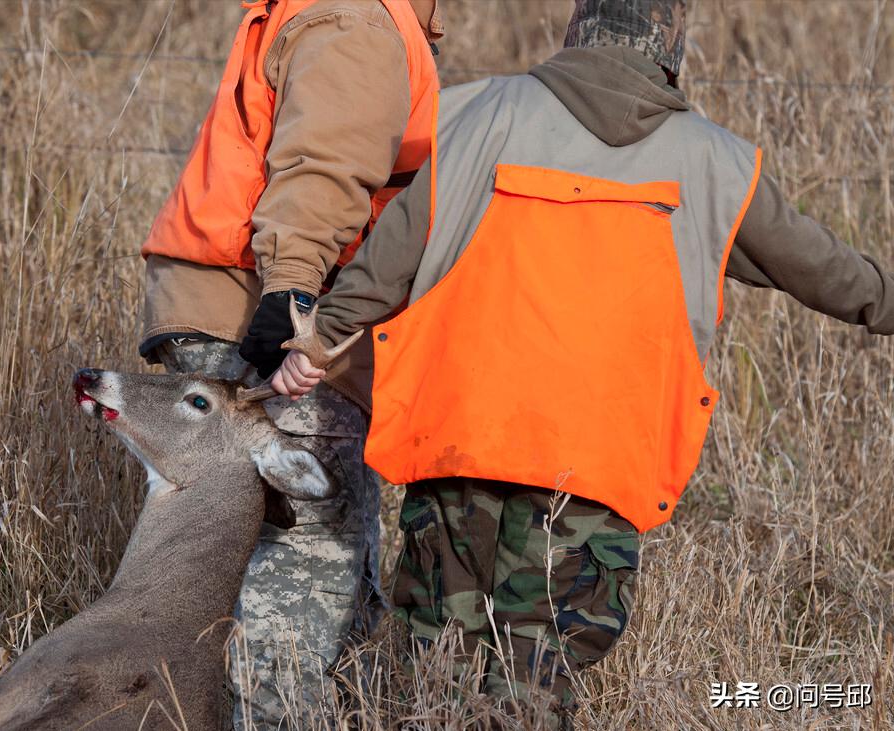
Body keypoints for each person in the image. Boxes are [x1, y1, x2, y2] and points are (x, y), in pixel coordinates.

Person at [269, 0, 894, 724]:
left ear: (577, 31)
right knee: (537, 679)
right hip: (591, 474)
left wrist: (320, 340)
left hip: (459, 443)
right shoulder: (716, 163)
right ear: (669, 45)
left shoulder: (480, 113)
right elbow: (830, 273)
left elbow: (390, 259)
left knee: (434, 671)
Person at [137, 0, 442, 727]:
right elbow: (324, 165)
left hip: (211, 309)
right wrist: (293, 291)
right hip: (274, 321)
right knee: (304, 577)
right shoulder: (358, 22)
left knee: (220, 573)